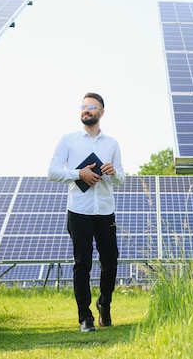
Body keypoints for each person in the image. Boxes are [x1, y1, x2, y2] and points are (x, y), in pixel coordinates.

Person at [47, 92, 125, 332]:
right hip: (78, 211)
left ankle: (105, 303)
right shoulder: (68, 140)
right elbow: (52, 172)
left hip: (105, 210)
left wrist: (113, 172)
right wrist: (78, 174)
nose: (86, 110)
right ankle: (85, 317)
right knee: (83, 264)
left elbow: (122, 178)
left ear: (101, 112)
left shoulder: (111, 143)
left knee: (110, 260)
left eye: (91, 106)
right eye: (83, 106)